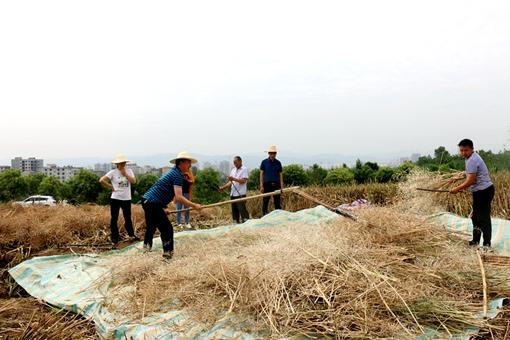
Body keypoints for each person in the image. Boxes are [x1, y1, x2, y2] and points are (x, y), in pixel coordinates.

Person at [142, 151, 202, 259]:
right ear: (181, 163)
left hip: (147, 201)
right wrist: (194, 205)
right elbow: (179, 197)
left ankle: (146, 249)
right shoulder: (177, 175)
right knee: (167, 229)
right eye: (188, 162)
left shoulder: (174, 173)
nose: (190, 165)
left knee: (151, 227)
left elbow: (162, 190)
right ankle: (167, 254)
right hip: (152, 203)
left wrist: (163, 208)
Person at [450, 139, 495, 248]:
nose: (463, 153)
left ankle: (487, 244)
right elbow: (471, 175)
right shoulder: (470, 158)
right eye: (461, 150)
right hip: (479, 191)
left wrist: (457, 188)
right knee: (475, 217)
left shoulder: (472, 160)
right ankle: (475, 241)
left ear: (472, 149)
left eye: (466, 150)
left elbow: (471, 180)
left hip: (484, 191)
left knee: (483, 218)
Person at [99, 154, 139, 245]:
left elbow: (134, 181)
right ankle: (115, 238)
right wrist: (111, 187)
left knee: (128, 218)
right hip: (115, 198)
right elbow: (101, 180)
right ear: (117, 164)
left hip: (127, 198)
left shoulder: (129, 170)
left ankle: (131, 235)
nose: (122, 164)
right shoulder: (113, 172)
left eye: (123, 162)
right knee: (114, 218)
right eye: (120, 163)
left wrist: (125, 174)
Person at [219, 156, 250, 223]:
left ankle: (246, 223)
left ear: (240, 161)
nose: (235, 164)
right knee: (234, 211)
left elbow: (243, 181)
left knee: (242, 210)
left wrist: (234, 179)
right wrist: (223, 187)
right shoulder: (233, 170)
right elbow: (231, 182)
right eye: (234, 163)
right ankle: (236, 223)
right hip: (233, 194)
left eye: (236, 162)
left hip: (240, 194)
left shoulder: (244, 169)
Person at [259, 145, 284, 216]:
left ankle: (278, 216)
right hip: (267, 185)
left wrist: (281, 186)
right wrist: (261, 186)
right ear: (269, 153)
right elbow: (261, 174)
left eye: (274, 153)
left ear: (276, 154)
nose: (272, 154)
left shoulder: (278, 163)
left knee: (277, 202)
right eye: (271, 153)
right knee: (265, 201)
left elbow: (280, 175)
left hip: (276, 185)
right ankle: (264, 215)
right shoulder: (264, 162)